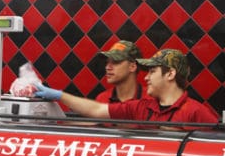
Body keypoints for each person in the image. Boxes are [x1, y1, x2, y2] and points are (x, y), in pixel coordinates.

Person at [35, 49, 219, 127]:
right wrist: (58, 95)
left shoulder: (196, 112)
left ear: (170, 74)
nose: (145, 77)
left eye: (152, 71)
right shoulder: (141, 107)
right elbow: (97, 110)